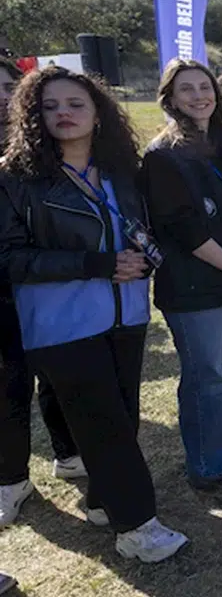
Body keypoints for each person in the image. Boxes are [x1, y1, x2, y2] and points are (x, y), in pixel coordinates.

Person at [0, 66, 187, 560]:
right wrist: (96, 265)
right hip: (62, 325)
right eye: (50, 106)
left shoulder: (122, 171)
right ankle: (137, 528)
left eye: (75, 104)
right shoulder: (15, 179)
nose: (63, 113)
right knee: (104, 423)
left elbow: (142, 230)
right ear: (34, 117)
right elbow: (9, 258)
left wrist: (145, 257)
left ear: (98, 113)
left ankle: (104, 501)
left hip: (127, 316)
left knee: (123, 417)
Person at [141, 59, 222, 493]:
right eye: (186, 89)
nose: (198, 96)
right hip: (195, 283)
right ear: (171, 99)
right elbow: (183, 228)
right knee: (205, 376)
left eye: (204, 87)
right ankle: (210, 465)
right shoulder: (162, 156)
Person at [0, 58, 85, 529]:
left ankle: (68, 452)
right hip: (5, 289)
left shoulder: (49, 149)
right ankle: (11, 479)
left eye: (8, 86)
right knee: (10, 385)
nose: (1, 97)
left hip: (50, 285)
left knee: (58, 376)